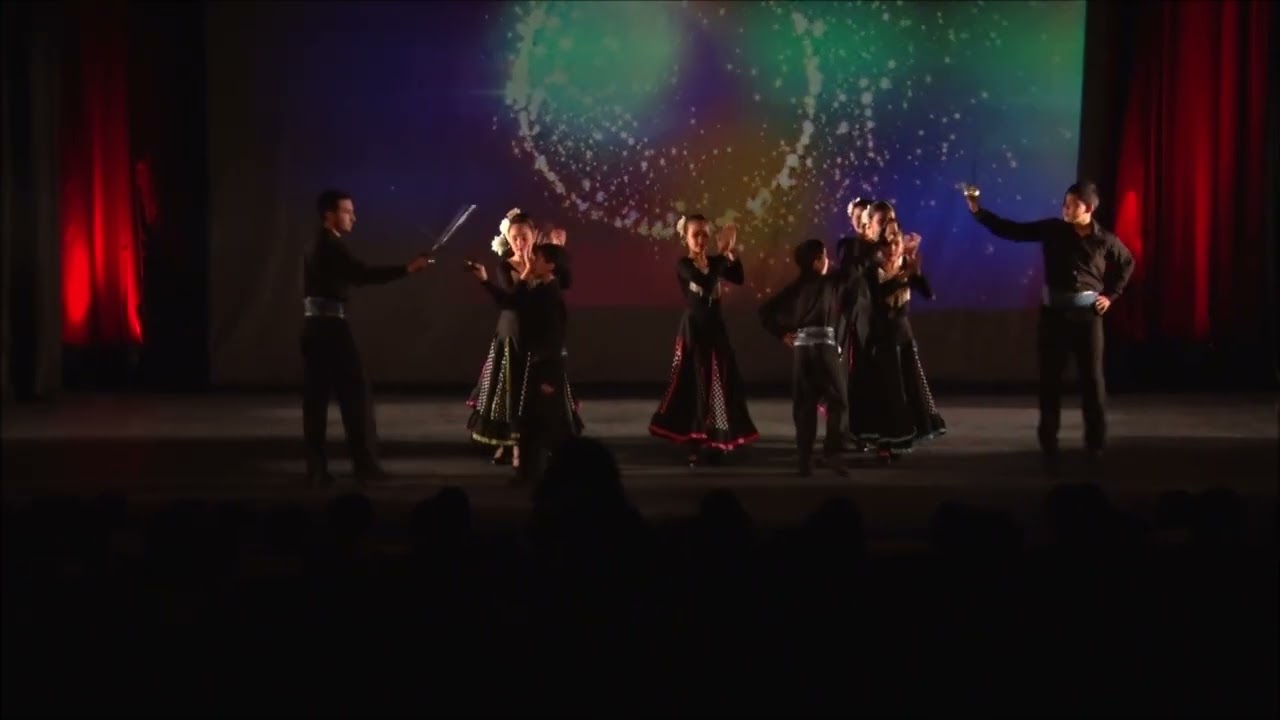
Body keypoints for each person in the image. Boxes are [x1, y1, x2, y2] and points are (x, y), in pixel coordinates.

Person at [965, 180, 1134, 465]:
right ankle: (1049, 444)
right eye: (1064, 203)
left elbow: (1127, 262)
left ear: (1088, 208)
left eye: (1071, 204)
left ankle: (1095, 443)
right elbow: (1014, 230)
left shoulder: (1104, 239)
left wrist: (1111, 296)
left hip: (1087, 318)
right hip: (1054, 316)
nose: (1064, 208)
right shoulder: (1054, 230)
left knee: (1092, 382)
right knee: (1050, 382)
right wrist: (978, 211)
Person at [302, 190, 431, 486]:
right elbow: (361, 274)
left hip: (315, 328)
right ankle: (365, 466)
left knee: (316, 400)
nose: (354, 217)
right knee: (355, 397)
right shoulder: (330, 245)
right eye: (347, 211)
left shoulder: (318, 243)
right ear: (329, 215)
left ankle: (317, 469)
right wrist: (407, 269)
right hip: (331, 329)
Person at [648, 214, 759, 466]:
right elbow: (706, 283)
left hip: (715, 330)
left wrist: (730, 252)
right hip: (694, 331)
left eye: (705, 234)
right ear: (685, 237)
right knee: (695, 384)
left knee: (719, 382)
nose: (701, 239)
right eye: (696, 234)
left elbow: (738, 277)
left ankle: (717, 436)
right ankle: (694, 440)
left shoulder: (715, 261)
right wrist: (721, 255)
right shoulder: (684, 264)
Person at [466, 243, 577, 486]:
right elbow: (511, 302)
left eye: (536, 258)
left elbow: (554, 338)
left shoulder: (550, 294)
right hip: (536, 367)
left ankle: (542, 476)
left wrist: (547, 377)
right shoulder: (541, 290)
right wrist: (485, 281)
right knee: (531, 423)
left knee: (542, 425)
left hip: (544, 368)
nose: (530, 262)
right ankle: (528, 474)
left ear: (550, 265)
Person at [847, 220, 946, 460]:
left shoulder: (906, 265)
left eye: (896, 241)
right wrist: (905, 275)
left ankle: (901, 438)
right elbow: (879, 297)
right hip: (882, 339)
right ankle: (885, 442)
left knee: (907, 390)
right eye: (887, 242)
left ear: (902, 243)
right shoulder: (872, 270)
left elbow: (929, 293)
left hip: (903, 338)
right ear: (880, 245)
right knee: (887, 391)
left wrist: (916, 272)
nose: (892, 247)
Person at [759, 239, 858, 476]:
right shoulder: (829, 283)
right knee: (838, 401)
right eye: (824, 257)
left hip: (802, 350)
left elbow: (765, 311)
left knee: (805, 404)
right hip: (823, 348)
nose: (828, 261)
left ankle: (804, 458)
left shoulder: (794, 289)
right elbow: (852, 272)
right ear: (816, 263)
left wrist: (782, 333)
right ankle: (832, 454)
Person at [466, 209, 535, 465]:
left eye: (524, 236)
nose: (520, 242)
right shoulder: (505, 266)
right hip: (511, 331)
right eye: (515, 237)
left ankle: (529, 443)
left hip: (535, 335)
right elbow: (509, 301)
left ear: (533, 236)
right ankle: (509, 444)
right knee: (508, 392)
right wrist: (524, 273)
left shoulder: (541, 262)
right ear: (508, 238)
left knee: (531, 392)